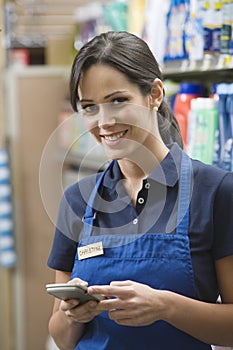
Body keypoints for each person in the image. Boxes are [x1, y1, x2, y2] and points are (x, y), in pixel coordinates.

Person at [47, 31, 233, 350]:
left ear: (155, 94)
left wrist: (166, 307)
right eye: (89, 107)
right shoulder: (78, 200)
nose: (104, 121)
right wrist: (71, 315)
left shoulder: (215, 191)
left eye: (118, 100)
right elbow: (62, 339)